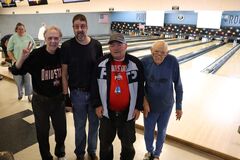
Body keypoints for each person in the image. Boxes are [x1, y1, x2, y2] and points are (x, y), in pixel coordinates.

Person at [9, 26, 67, 160]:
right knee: (42, 132)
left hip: (58, 100)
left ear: (60, 39)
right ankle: (46, 157)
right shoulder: (36, 55)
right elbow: (16, 71)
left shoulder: (62, 53)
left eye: (56, 38)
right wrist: (22, 58)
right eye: (50, 38)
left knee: (61, 131)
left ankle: (60, 153)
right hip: (40, 101)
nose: (53, 41)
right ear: (45, 39)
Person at [92, 32, 144, 160]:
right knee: (105, 145)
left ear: (125, 46)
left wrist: (138, 107)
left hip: (128, 113)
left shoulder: (135, 63)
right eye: (112, 45)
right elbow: (94, 86)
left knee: (128, 145)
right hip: (106, 113)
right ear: (109, 48)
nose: (116, 47)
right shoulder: (101, 63)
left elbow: (141, 87)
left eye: (119, 44)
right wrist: (97, 104)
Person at [61, 14, 103, 160]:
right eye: (76, 26)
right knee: (79, 127)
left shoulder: (96, 45)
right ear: (73, 28)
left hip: (94, 94)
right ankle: (79, 153)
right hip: (77, 95)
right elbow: (64, 74)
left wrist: (101, 96)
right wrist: (66, 97)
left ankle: (92, 150)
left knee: (94, 125)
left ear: (87, 27)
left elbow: (100, 73)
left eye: (82, 26)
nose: (80, 29)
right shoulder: (67, 46)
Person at [141, 40, 183, 160]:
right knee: (148, 131)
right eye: (156, 52)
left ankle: (157, 154)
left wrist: (179, 106)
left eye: (163, 53)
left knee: (162, 130)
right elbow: (139, 85)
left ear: (167, 53)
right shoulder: (145, 61)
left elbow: (178, 84)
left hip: (166, 105)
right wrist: (144, 102)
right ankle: (149, 151)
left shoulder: (173, 61)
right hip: (149, 105)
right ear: (151, 51)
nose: (159, 55)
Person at [7, 22, 34, 102]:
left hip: (27, 63)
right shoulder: (13, 38)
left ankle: (29, 95)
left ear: (24, 29)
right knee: (18, 81)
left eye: (22, 29)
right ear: (16, 30)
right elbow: (9, 50)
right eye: (19, 29)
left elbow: (33, 47)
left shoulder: (29, 37)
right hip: (17, 63)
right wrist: (14, 60)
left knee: (28, 80)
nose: (21, 30)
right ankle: (20, 94)